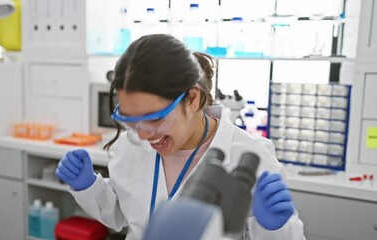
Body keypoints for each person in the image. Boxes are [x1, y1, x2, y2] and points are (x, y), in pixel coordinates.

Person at [55, 34, 306, 240]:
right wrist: (89, 186)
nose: (142, 134)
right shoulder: (129, 146)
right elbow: (122, 213)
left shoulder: (249, 155)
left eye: (154, 118)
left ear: (192, 98)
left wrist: (272, 227)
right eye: (130, 119)